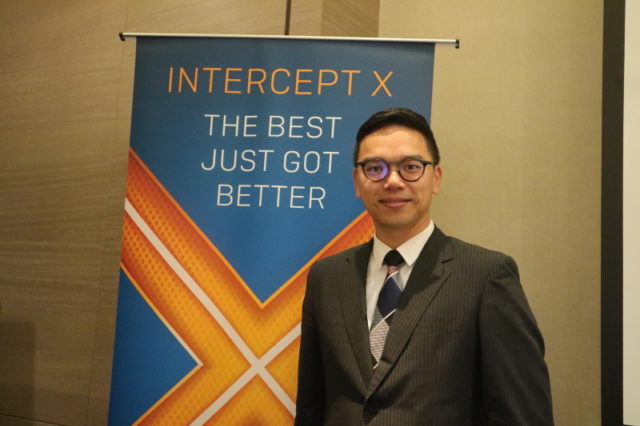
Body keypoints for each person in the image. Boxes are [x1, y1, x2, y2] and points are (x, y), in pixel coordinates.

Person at [295, 107, 554, 425]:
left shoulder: (486, 276)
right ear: (357, 182)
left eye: (410, 167)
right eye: (375, 168)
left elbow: (522, 414)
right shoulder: (327, 277)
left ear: (436, 178)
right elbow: (311, 407)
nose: (392, 181)